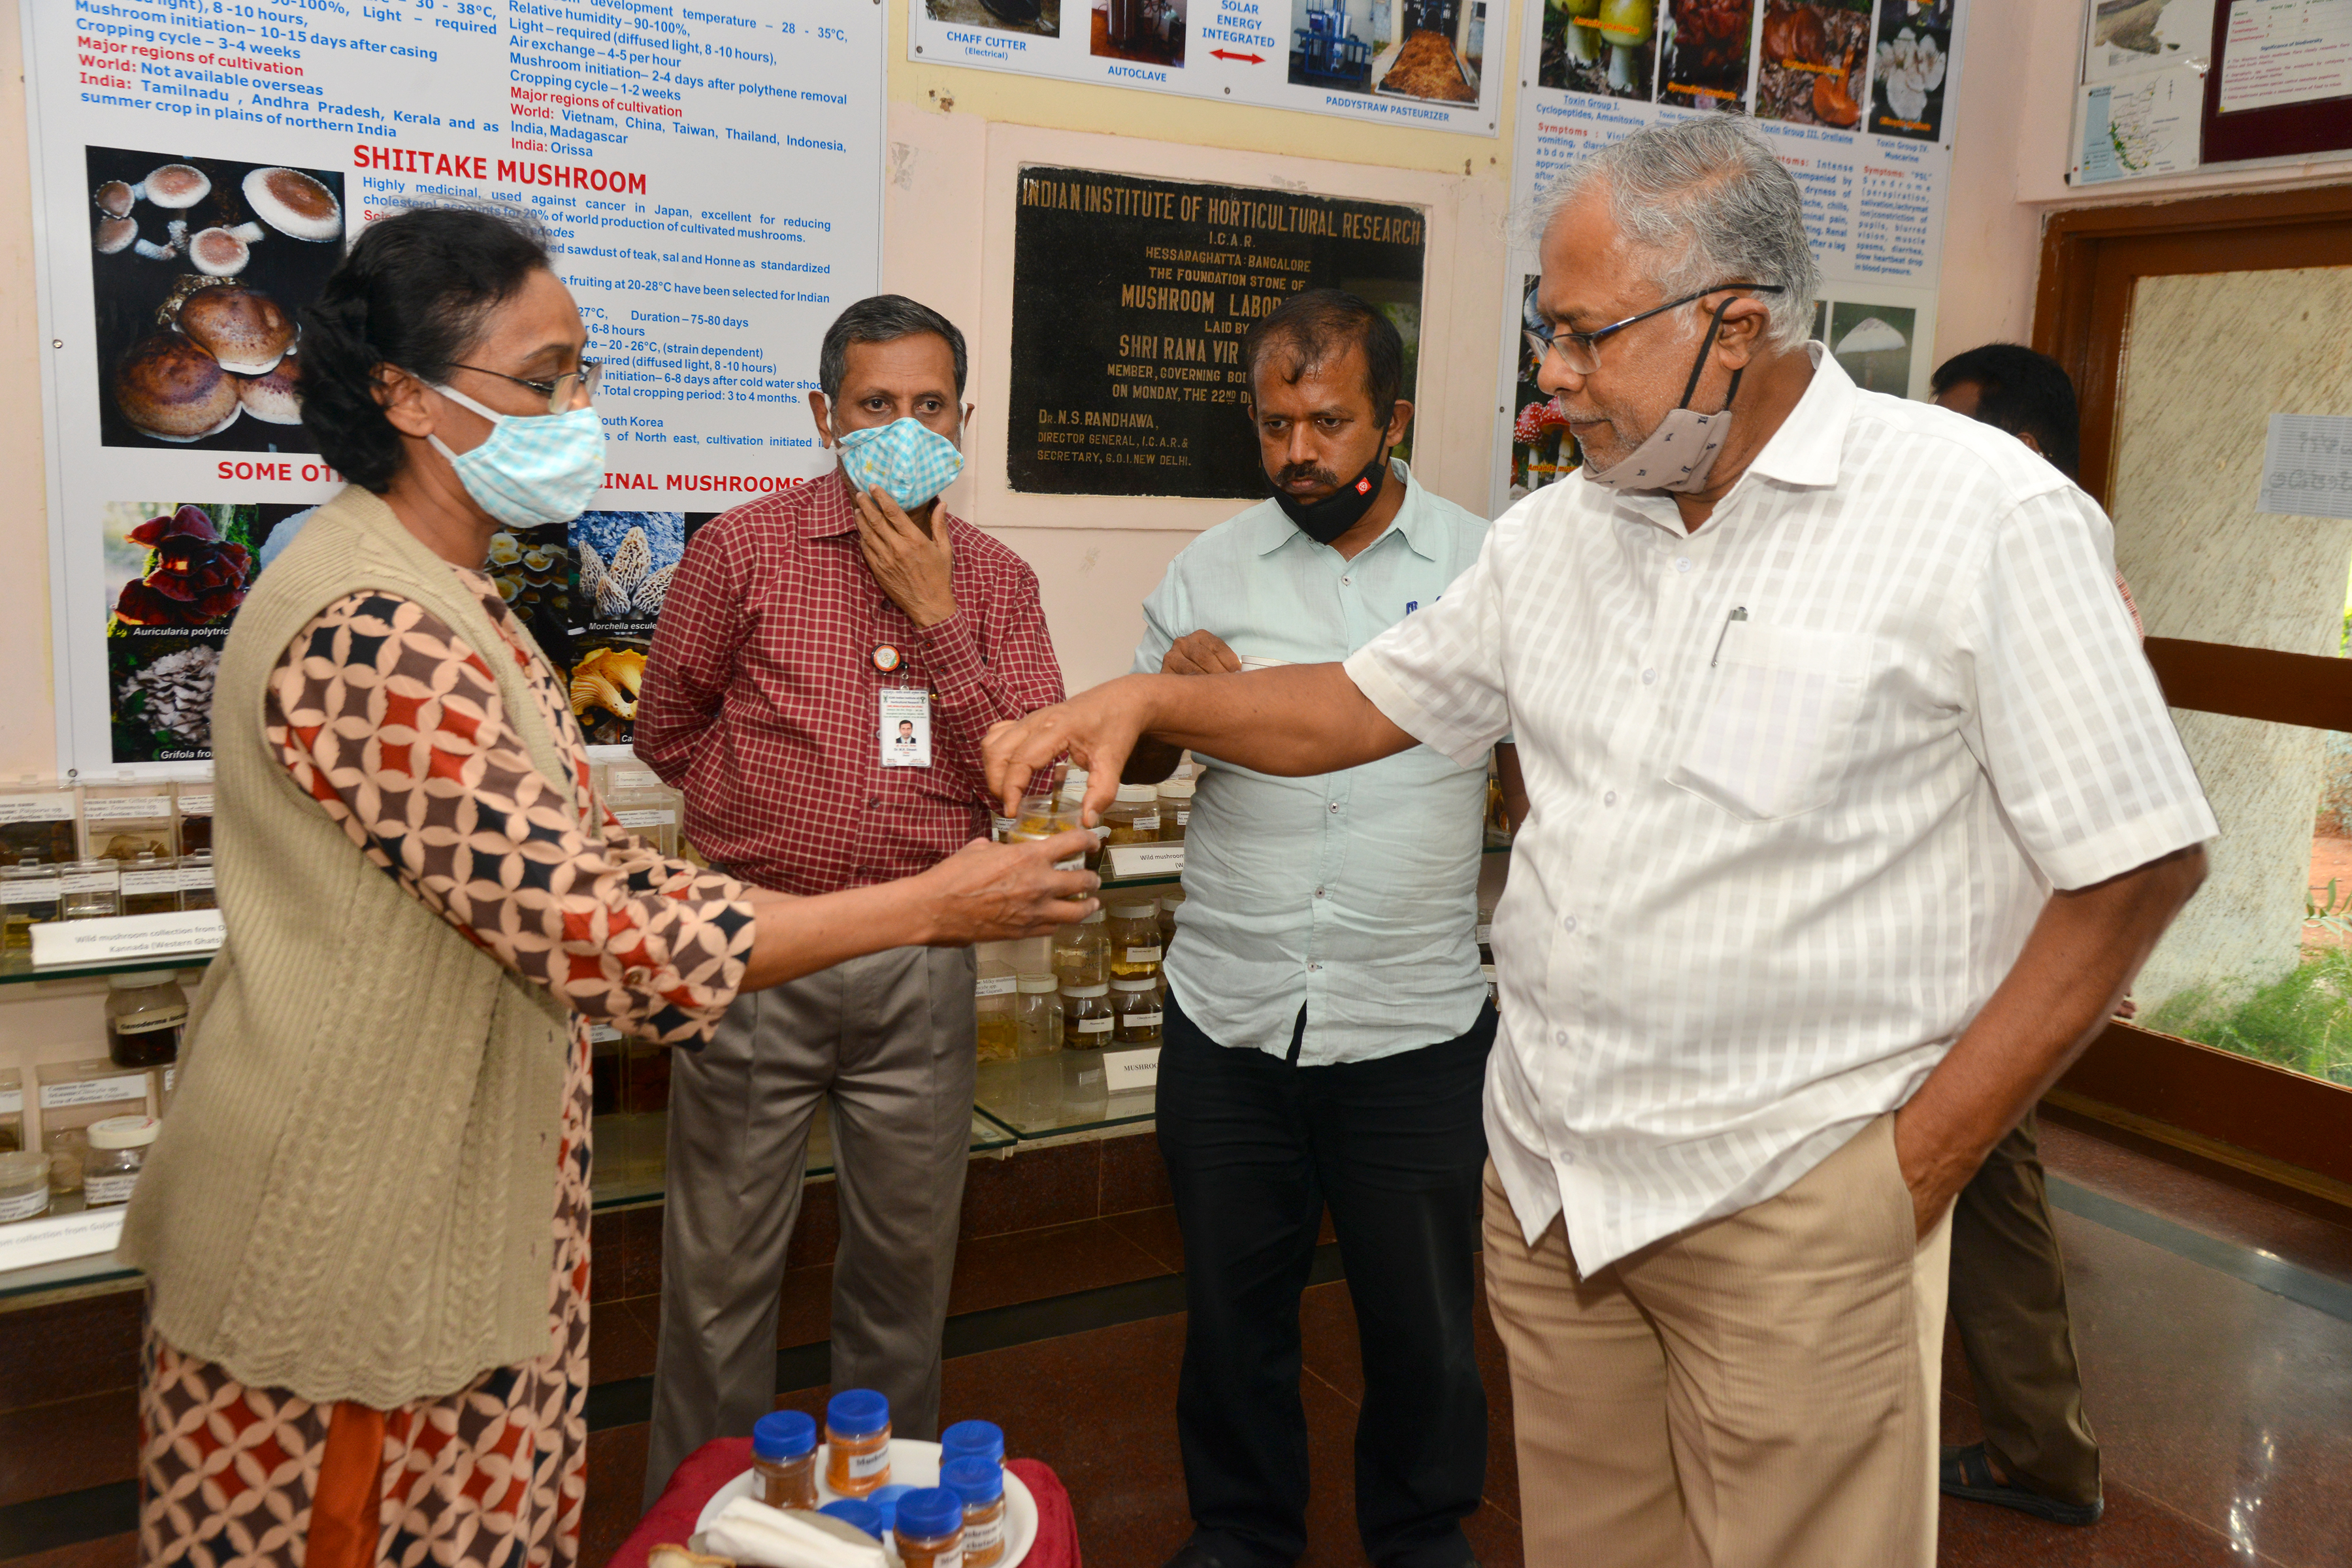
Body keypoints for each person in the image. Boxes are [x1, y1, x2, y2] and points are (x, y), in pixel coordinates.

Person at [982, 116, 2216, 1568]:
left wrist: (1912, 1171)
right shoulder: (1559, 535)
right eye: (1542, 335)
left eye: (1583, 337)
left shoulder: (1979, 514)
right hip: (1560, 1191)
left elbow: (2138, 859)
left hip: (1794, 1196)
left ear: (1735, 326)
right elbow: (1360, 706)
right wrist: (1141, 696)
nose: (1550, 377)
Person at [118, 210, 1096, 1568]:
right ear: (405, 393)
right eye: (545, 379)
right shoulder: (373, 621)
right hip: (352, 1238)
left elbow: (561, 858)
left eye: (580, 374)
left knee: (891, 1289)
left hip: (461, 1187)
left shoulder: (453, 594)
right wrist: (928, 902)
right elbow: (596, 906)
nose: (580, 410)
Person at [634, 295, 1068, 1503]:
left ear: (964, 420)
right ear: (826, 415)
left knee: (903, 1279)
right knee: (718, 1281)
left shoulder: (996, 580)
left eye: (929, 406)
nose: (904, 427)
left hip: (924, 961)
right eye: (876, 405)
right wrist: (760, 823)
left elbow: (1031, 777)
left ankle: (886, 1513)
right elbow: (667, 729)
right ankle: (702, 1521)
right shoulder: (742, 549)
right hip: (758, 947)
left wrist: (936, 618)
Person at [1122, 289, 1518, 1568]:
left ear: (1392, 419)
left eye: (1328, 422)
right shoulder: (1208, 575)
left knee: (1424, 1323)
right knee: (1234, 1314)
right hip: (1232, 1009)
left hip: (1412, 1019)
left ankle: (1419, 1533)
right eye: (1275, 422)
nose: (1299, 451)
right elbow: (1134, 771)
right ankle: (1240, 1531)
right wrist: (1168, 708)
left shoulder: (1484, 567)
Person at [1927, 340, 2127, 1527]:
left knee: (1989, 1198)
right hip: (1983, 943)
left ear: (2022, 447)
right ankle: (2041, 1446)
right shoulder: (2033, 541)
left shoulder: (2045, 554)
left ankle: (2045, 1456)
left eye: (1956, 431)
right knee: (1993, 1202)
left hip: (1992, 954)